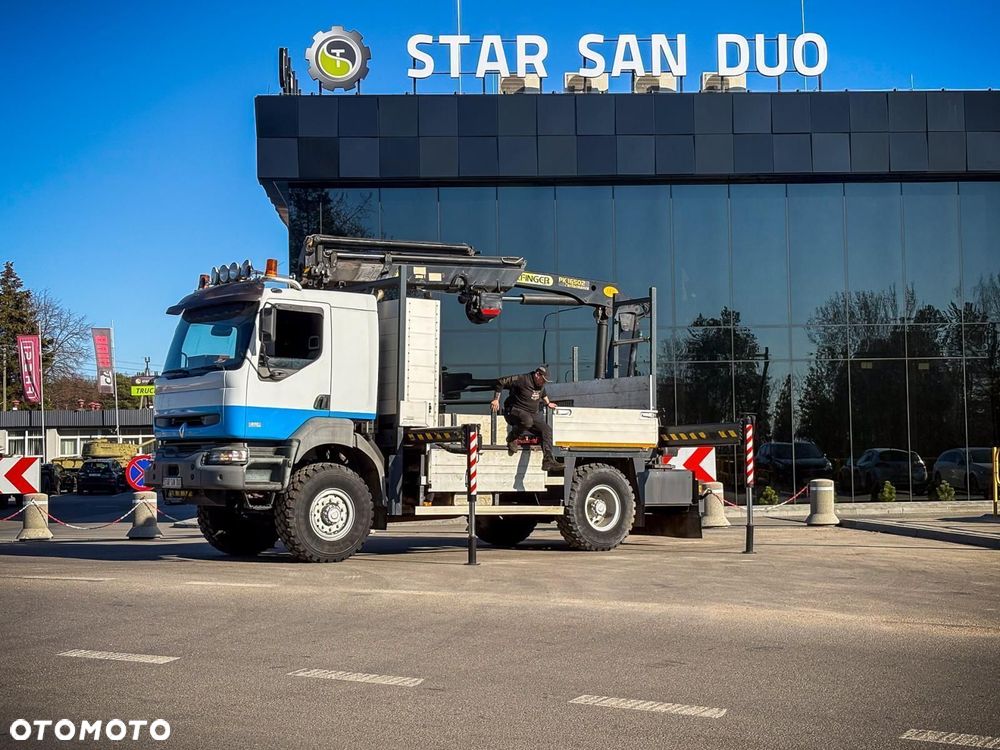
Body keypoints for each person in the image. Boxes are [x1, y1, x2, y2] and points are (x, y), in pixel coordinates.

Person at [490, 365, 561, 471]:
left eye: (545, 381)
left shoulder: (540, 384)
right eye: (543, 380)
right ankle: (512, 437)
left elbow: (543, 393)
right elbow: (501, 381)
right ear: (537, 374)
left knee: (546, 430)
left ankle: (548, 461)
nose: (543, 383)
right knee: (527, 421)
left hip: (531, 413)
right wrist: (496, 399)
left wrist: (548, 403)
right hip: (514, 410)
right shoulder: (522, 379)